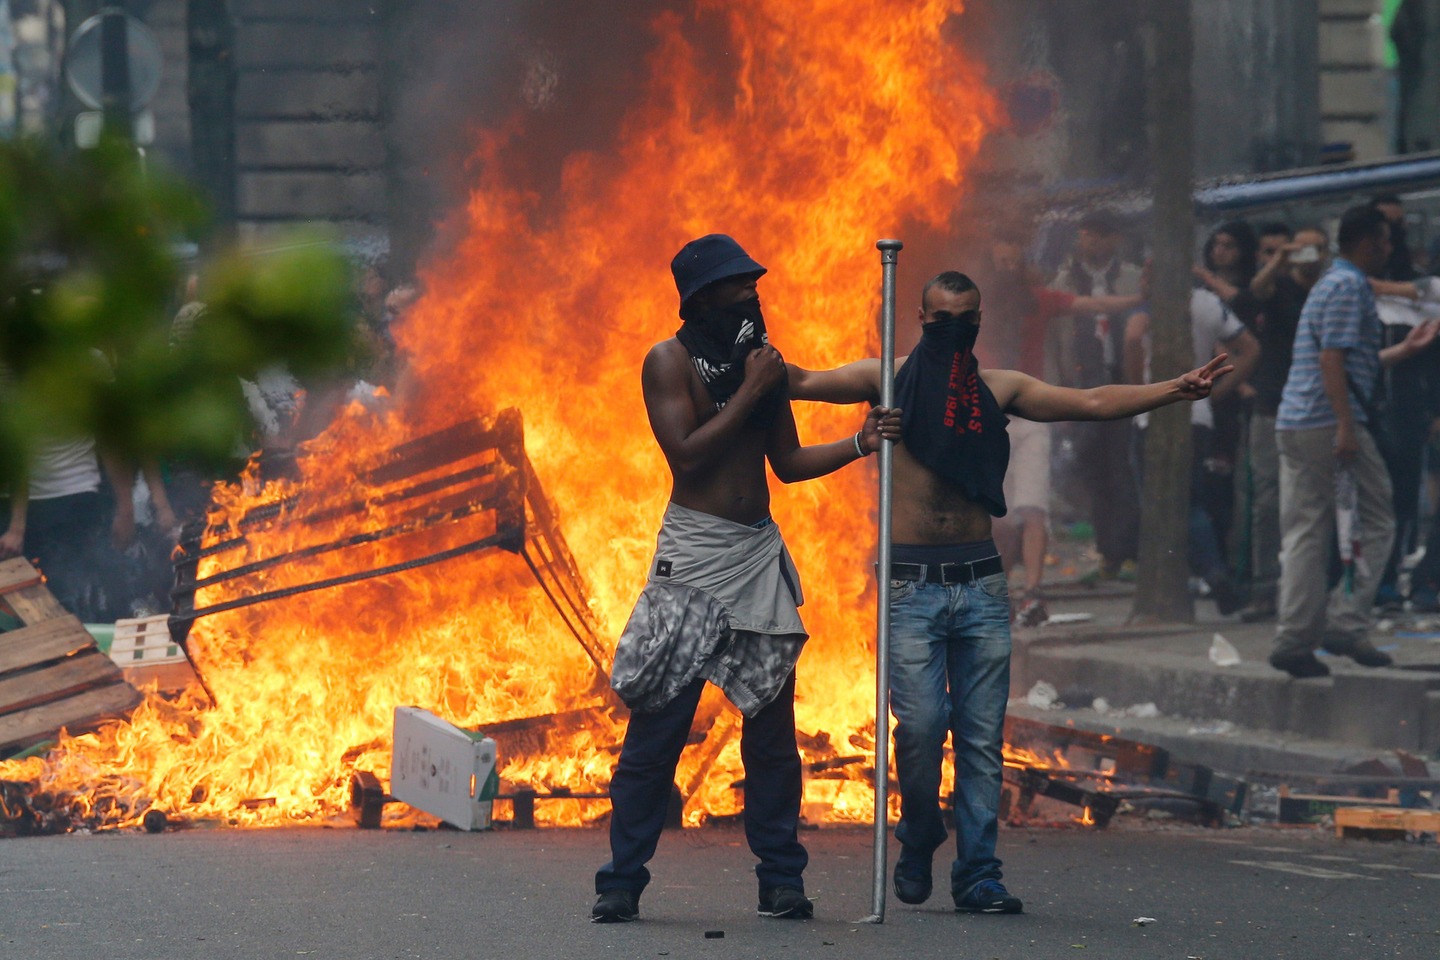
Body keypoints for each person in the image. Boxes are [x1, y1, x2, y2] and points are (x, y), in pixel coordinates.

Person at [789, 270, 1231, 915]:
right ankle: (918, 833)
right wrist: (742, 348)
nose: (952, 330)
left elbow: (1091, 401)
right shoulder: (883, 379)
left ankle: (978, 874)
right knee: (919, 729)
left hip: (980, 583)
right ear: (919, 317)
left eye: (964, 319)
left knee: (978, 736)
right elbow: (800, 383)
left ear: (978, 322)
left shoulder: (998, 390)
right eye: (940, 319)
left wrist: (1172, 389)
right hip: (911, 584)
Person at [591, 234, 895, 924]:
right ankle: (621, 879)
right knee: (658, 730)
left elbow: (785, 463)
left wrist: (858, 444)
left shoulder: (758, 361)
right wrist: (755, 388)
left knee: (770, 735)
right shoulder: (667, 362)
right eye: (736, 289)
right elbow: (688, 457)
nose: (752, 299)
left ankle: (781, 878)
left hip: (755, 560)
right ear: (700, 300)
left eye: (755, 286)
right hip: (694, 561)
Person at [1270, 204, 1440, 679]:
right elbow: (1332, 359)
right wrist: (1346, 425)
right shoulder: (1349, 287)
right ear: (1367, 242)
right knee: (1379, 517)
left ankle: (1295, 636)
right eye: (1384, 241)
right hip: (1328, 423)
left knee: (1308, 529)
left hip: (1301, 420)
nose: (1389, 250)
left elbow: (1351, 360)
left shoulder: (1332, 284)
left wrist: (1403, 350)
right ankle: (1344, 621)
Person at [978, 234, 1140, 625]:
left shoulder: (1040, 299)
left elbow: (1093, 304)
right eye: (999, 261)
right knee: (996, 517)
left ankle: (1032, 592)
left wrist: (1141, 298)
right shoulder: (975, 307)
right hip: (984, 421)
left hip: (1031, 418)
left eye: (1012, 261)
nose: (1006, 268)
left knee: (1033, 508)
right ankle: (999, 593)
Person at [1122, 281, 1259, 614]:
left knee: (1158, 503)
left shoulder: (1155, 302)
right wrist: (1216, 392)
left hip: (1153, 413)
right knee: (1191, 500)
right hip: (1197, 414)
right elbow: (1250, 347)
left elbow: (1131, 336)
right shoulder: (1208, 303)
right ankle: (1213, 574)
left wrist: (1135, 391)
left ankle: (1197, 576)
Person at [1228, 224, 1331, 622]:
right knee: (1268, 500)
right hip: (1273, 404)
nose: (1311, 256)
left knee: (1313, 503)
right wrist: (1280, 260)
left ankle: (1307, 589)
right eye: (1304, 249)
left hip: (1317, 406)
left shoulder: (1329, 290)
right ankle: (1265, 588)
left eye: (1317, 249)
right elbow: (1257, 292)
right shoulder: (1280, 288)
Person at [1051, 209, 1145, 580]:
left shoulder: (1132, 278)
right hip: (1081, 387)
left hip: (1125, 385)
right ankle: (1108, 553)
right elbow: (1057, 340)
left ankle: (1126, 551)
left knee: (1123, 470)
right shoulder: (1063, 281)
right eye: (1087, 233)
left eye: (1102, 234)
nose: (1093, 241)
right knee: (1093, 472)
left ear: (1115, 239)